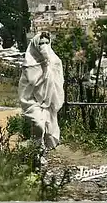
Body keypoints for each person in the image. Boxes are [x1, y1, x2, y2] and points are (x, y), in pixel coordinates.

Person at [18, 32, 65, 163]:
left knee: (48, 127)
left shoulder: (55, 60)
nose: (44, 46)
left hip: (49, 98)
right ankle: (35, 152)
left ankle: (39, 152)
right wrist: (44, 66)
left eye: (46, 43)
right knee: (38, 124)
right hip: (32, 99)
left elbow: (59, 78)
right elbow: (33, 82)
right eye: (41, 43)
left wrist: (50, 67)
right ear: (35, 45)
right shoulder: (30, 63)